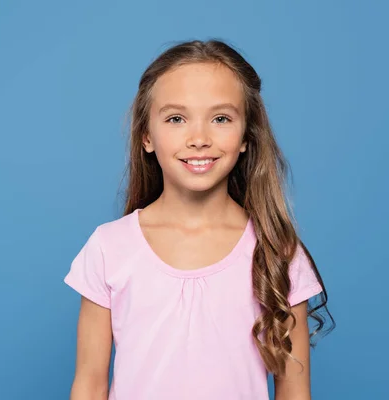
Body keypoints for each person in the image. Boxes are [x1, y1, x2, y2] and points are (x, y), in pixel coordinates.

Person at [63, 39, 335, 400]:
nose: (199, 139)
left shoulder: (277, 250)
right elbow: (90, 384)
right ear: (147, 135)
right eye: (176, 119)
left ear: (245, 137)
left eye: (221, 118)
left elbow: (294, 392)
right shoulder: (108, 247)